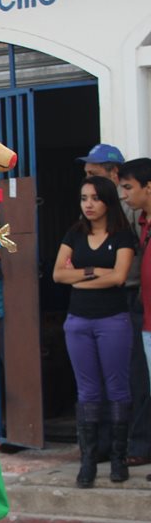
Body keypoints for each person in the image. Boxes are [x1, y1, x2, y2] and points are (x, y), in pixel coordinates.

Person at [53, 176, 137, 488]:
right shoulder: (74, 234)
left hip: (112, 319)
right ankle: (87, 462)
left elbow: (118, 278)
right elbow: (58, 274)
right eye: (83, 197)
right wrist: (92, 272)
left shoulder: (123, 236)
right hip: (78, 321)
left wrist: (79, 278)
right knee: (87, 392)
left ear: (107, 202)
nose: (88, 204)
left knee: (117, 389)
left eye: (94, 198)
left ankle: (118, 458)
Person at [80, 144, 151, 465]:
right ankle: (108, 445)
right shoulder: (92, 214)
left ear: (114, 173)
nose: (89, 183)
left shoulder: (137, 211)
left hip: (133, 300)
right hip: (105, 302)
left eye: (95, 174)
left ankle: (138, 445)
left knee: (136, 378)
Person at [117, 157, 151, 478]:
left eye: (128, 188)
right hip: (146, 321)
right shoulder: (142, 223)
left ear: (148, 187)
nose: (124, 195)